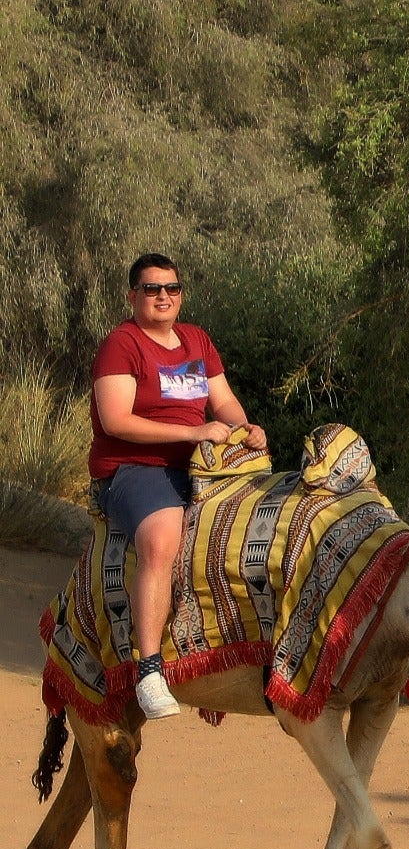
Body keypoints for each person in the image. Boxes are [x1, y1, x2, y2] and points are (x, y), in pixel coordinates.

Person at [88, 252, 265, 722]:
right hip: (133, 467)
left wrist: (245, 427)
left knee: (257, 528)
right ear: (133, 296)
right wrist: (194, 432)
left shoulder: (196, 340)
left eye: (172, 288)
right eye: (152, 289)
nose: (163, 296)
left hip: (200, 465)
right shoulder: (121, 345)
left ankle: (229, 652)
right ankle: (149, 670)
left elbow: (223, 400)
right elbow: (116, 420)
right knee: (164, 539)